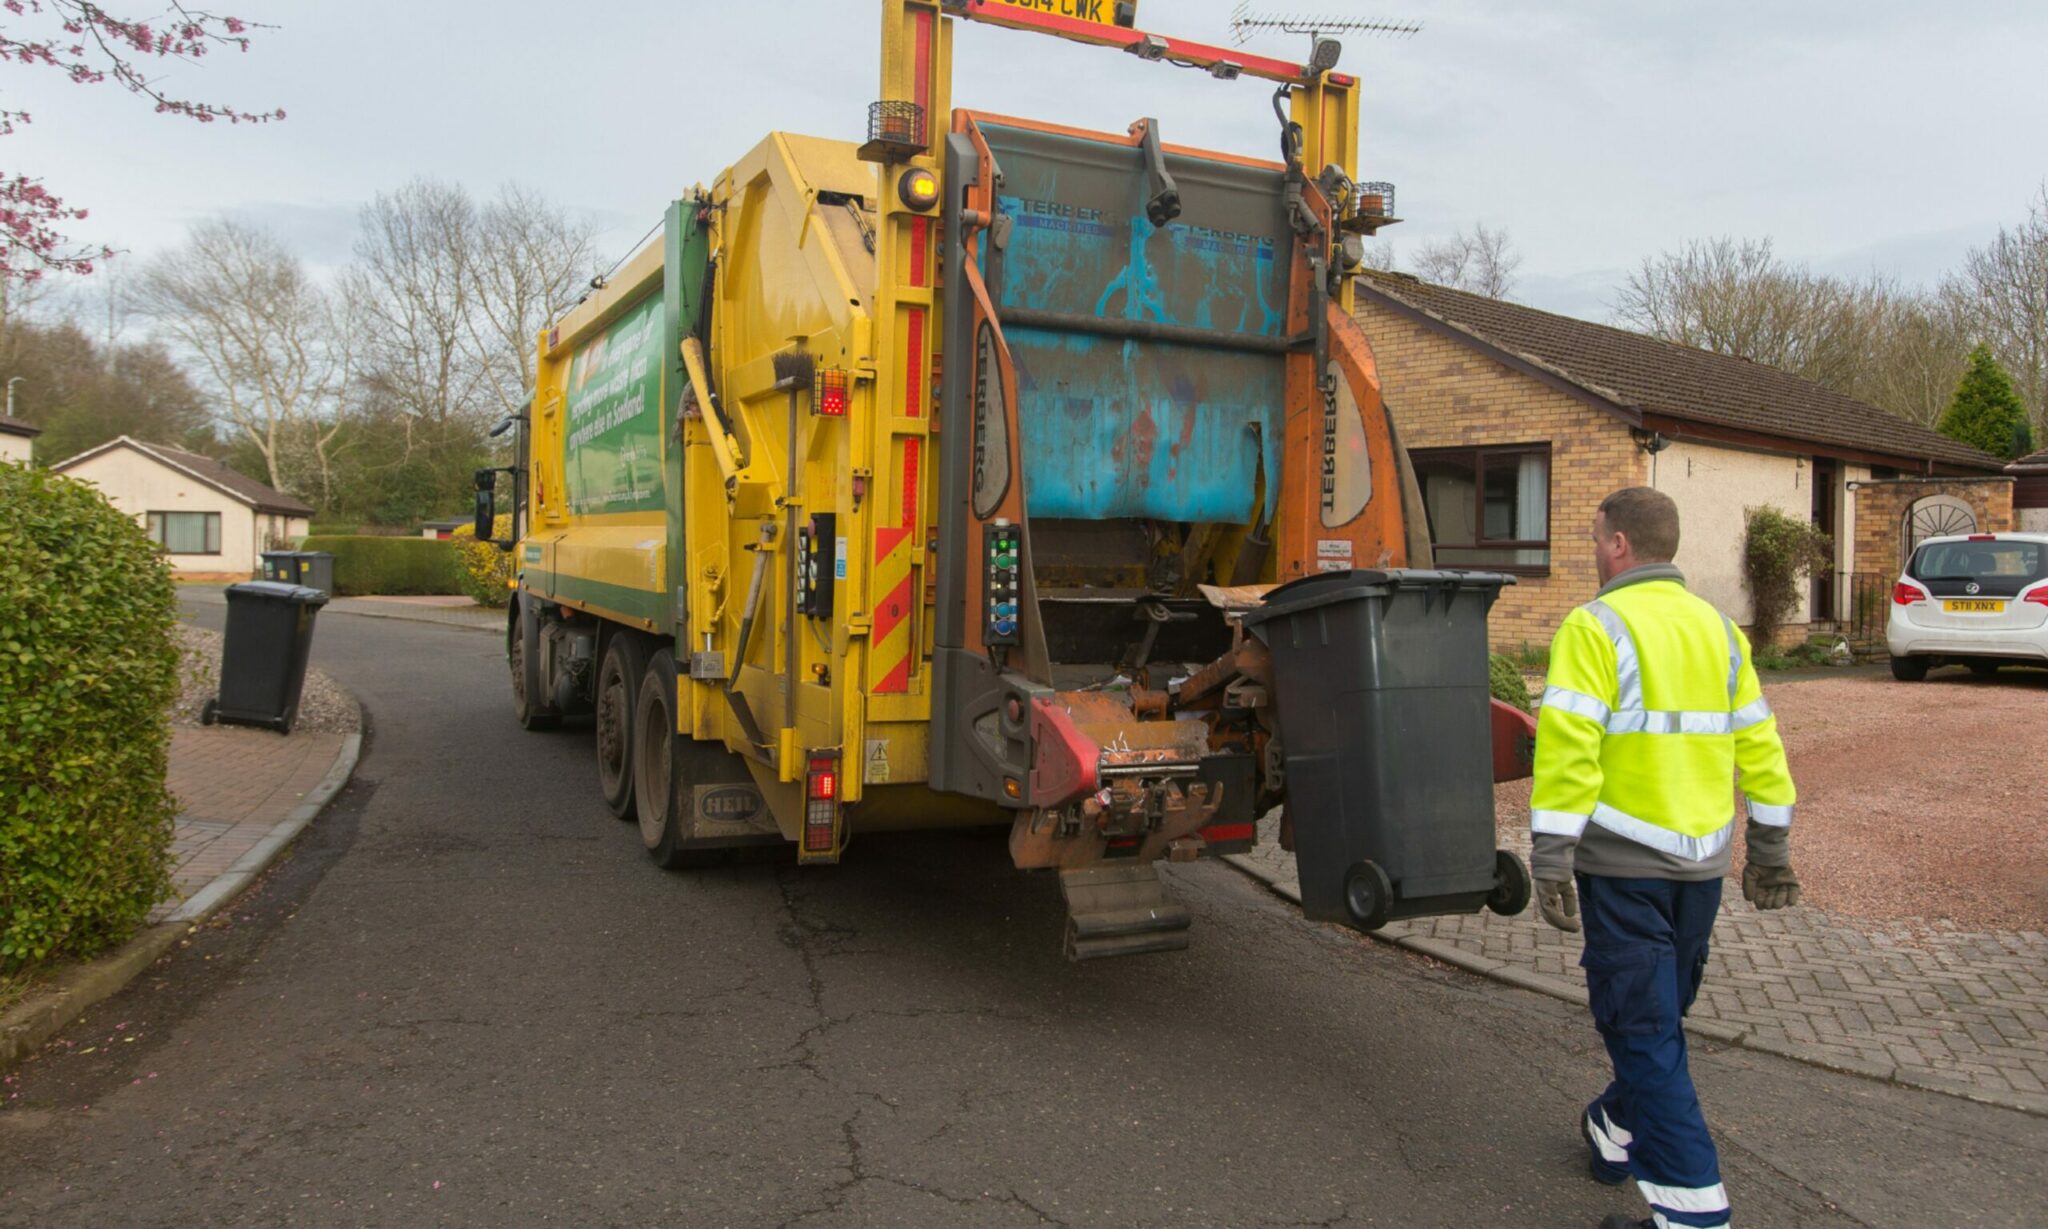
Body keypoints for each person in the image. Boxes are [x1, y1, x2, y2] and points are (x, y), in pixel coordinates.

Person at [1529, 487, 1802, 1229]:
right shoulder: (1720, 630)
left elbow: (1569, 749)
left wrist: (1551, 855)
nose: (1593, 551)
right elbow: (1760, 742)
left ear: (1618, 543)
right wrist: (1769, 844)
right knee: (1656, 1022)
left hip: (1624, 869)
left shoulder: (1594, 626)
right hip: (1701, 870)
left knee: (1645, 1029)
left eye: (1595, 537)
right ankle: (1614, 1127)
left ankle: (1692, 1212)